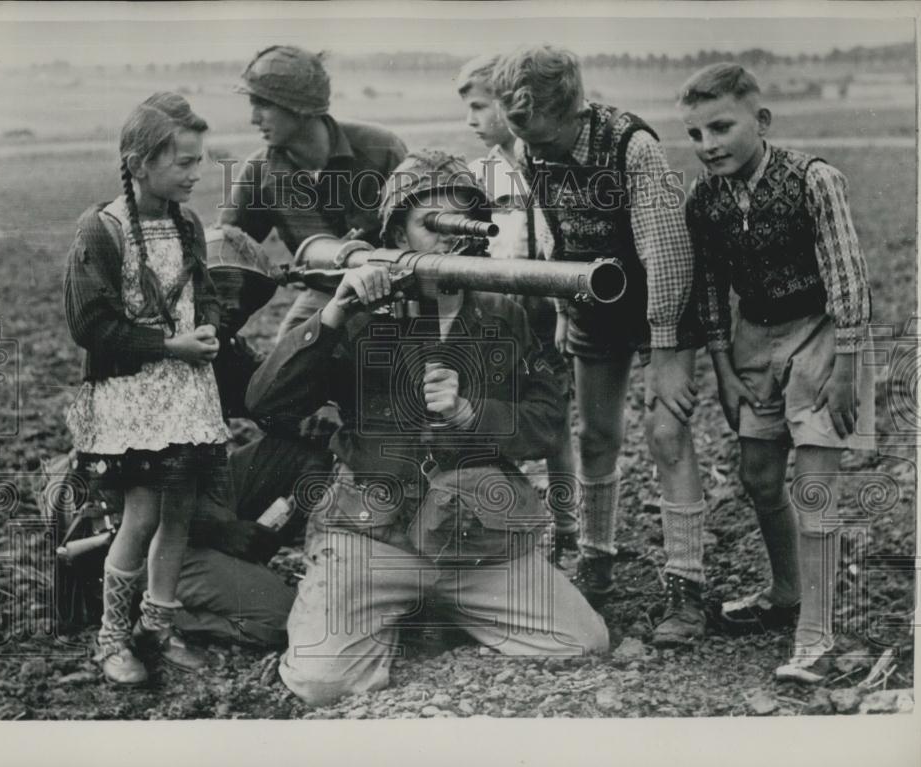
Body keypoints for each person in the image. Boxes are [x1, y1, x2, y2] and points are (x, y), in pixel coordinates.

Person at [246, 150, 610, 707]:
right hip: (374, 534)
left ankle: (429, 614)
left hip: (473, 536)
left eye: (463, 224)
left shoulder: (503, 311)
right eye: (431, 224)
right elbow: (266, 402)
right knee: (323, 683)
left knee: (580, 643)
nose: (449, 240)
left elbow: (548, 422)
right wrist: (336, 310)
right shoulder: (355, 308)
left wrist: (473, 415)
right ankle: (390, 609)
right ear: (396, 232)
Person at [492, 46, 710, 646]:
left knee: (666, 433)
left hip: (659, 298)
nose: (526, 145)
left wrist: (666, 357)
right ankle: (597, 560)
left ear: (569, 111)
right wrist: (565, 307)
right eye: (516, 130)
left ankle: (687, 589)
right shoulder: (529, 151)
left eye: (532, 128)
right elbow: (553, 232)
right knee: (595, 436)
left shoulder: (631, 148)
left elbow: (668, 257)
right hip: (594, 298)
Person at [679, 63, 875, 682]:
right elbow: (708, 289)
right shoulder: (703, 200)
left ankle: (817, 636)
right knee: (759, 478)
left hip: (822, 333)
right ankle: (786, 591)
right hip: (753, 337)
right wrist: (723, 368)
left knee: (814, 487)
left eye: (721, 127)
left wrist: (847, 368)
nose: (708, 145)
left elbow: (847, 276)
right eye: (696, 134)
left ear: (759, 121)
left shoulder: (814, 179)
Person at [63, 93, 229, 685]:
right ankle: (112, 638)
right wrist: (167, 346)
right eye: (183, 162)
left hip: (185, 394)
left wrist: (209, 325)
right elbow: (92, 327)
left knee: (179, 511)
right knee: (142, 512)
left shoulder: (186, 225)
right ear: (138, 162)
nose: (195, 173)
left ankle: (158, 626)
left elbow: (202, 294)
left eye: (198, 161)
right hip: (133, 398)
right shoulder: (101, 229)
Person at [457, 54, 581, 563]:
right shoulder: (478, 174)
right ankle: (506, 524)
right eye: (468, 109)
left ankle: (569, 527)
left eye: (480, 107)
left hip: (546, 313)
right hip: (500, 314)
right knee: (501, 415)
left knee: (554, 420)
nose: (472, 120)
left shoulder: (548, 165)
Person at [220, 45, 408, 342]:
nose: (254, 118)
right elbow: (228, 245)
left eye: (263, 104)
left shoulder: (380, 150)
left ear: (300, 107)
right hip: (324, 295)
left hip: (395, 290)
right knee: (286, 366)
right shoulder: (259, 171)